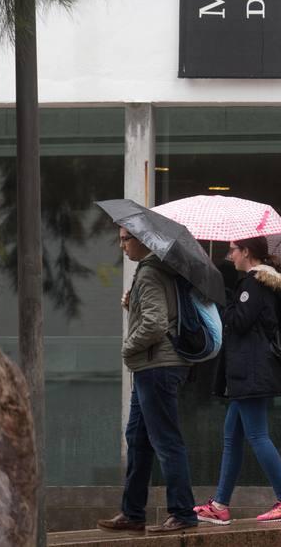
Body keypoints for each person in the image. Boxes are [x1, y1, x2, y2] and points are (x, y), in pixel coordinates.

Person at [194, 236, 281, 525]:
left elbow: (239, 321)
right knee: (232, 437)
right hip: (252, 371)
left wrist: (223, 301)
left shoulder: (254, 283)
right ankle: (219, 504)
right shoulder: (262, 283)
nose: (230, 256)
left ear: (247, 252)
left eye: (233, 250)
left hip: (252, 371)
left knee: (257, 436)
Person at [97, 226, 198, 534]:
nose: (121, 245)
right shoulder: (158, 270)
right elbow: (159, 314)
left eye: (126, 238)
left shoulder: (151, 272)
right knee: (138, 440)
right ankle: (132, 512)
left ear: (142, 240)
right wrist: (134, 305)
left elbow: (155, 324)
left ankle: (182, 512)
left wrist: (128, 346)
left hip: (157, 366)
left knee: (166, 441)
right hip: (154, 367)